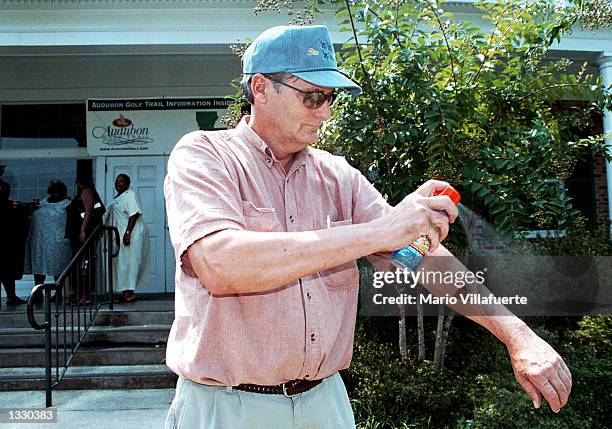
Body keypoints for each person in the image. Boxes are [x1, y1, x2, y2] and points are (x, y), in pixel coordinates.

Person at [163, 25, 572, 429]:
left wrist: (517, 335)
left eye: (330, 98)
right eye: (313, 97)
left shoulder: (337, 175)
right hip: (226, 409)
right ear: (260, 88)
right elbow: (220, 265)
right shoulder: (204, 155)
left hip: (325, 404)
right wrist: (381, 233)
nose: (325, 111)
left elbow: (419, 260)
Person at [104, 174, 150, 303]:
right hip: (120, 234)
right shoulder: (118, 198)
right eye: (117, 181)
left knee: (130, 262)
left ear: (128, 184)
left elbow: (134, 214)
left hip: (131, 234)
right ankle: (125, 291)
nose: (118, 183)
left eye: (122, 181)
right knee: (123, 263)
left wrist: (128, 232)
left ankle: (129, 293)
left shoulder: (130, 195)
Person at [24, 180, 72, 292]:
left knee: (59, 268)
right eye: (53, 189)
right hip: (39, 242)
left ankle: (59, 293)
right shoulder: (41, 203)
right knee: (39, 269)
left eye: (58, 189)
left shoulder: (67, 204)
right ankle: (38, 292)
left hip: (59, 242)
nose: (55, 192)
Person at [0, 180, 29, 306]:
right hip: (9, 244)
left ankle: (11, 296)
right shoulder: (14, 207)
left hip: (9, 244)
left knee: (8, 272)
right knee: (8, 273)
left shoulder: (15, 207)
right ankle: (11, 296)